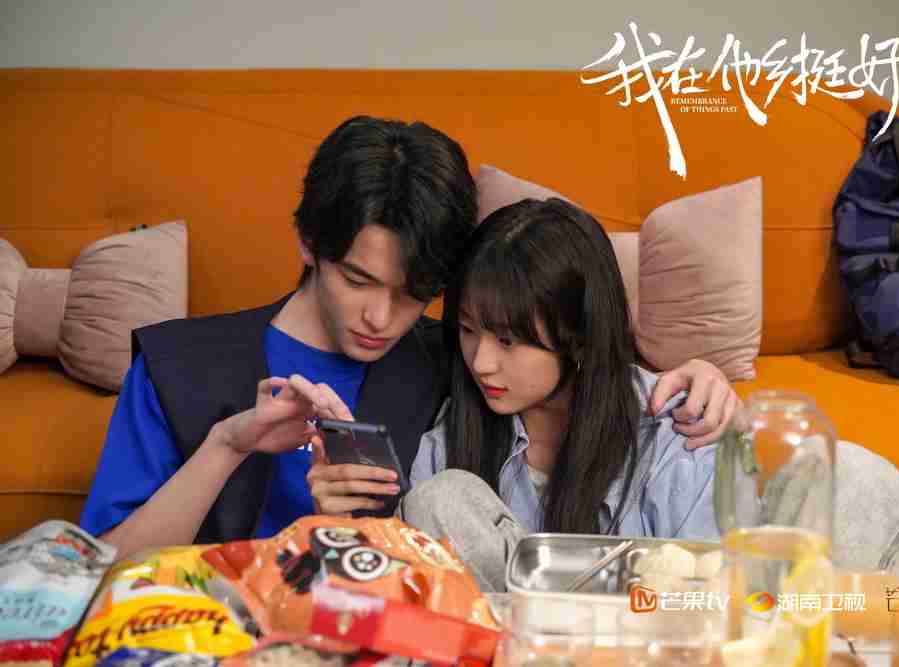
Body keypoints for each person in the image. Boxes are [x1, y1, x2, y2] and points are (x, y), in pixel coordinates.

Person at [80, 116, 739, 560]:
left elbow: (561, 338)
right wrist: (227, 445)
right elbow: (100, 571)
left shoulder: (458, 363)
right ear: (308, 241)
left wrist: (702, 379)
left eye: (414, 291)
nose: (381, 317)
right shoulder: (178, 365)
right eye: (357, 279)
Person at [388, 198, 720, 590]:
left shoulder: (675, 434)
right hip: (487, 628)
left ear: (579, 338)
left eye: (508, 340)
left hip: (638, 625)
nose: (481, 362)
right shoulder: (454, 431)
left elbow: (719, 593)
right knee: (440, 500)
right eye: (468, 330)